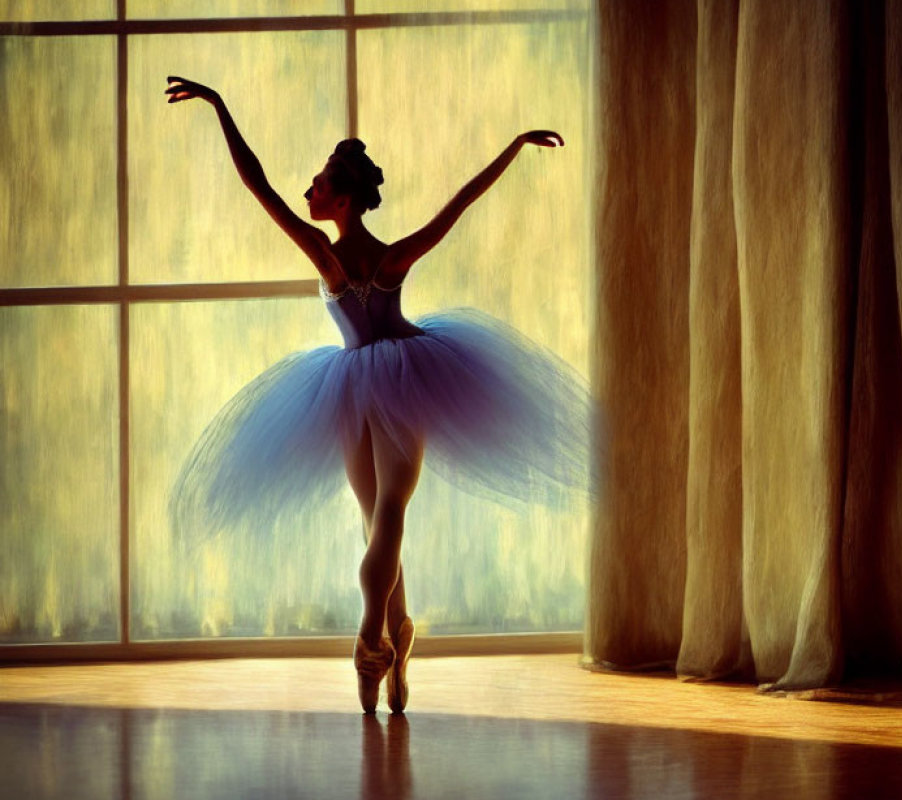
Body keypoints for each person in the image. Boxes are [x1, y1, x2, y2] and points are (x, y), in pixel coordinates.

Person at [165, 76, 592, 715]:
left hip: (358, 381)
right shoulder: (390, 257)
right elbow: (459, 203)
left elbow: (257, 183)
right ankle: (396, 635)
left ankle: (372, 641)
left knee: (378, 515)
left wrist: (218, 105)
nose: (308, 191)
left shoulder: (326, 254)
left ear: (340, 199)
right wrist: (513, 146)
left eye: (317, 184)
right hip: (403, 375)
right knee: (384, 516)